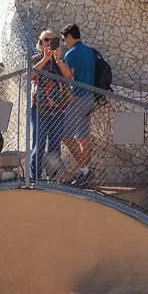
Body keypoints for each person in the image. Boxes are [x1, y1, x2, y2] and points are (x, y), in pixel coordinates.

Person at [57, 24, 97, 187]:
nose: (64, 43)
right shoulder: (90, 51)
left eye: (64, 39)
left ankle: (85, 171)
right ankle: (83, 174)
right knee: (82, 138)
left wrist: (59, 59)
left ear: (70, 37)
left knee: (65, 136)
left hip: (78, 98)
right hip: (90, 98)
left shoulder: (72, 53)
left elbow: (68, 74)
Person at [30, 29, 73, 181]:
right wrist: (46, 59)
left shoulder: (60, 59)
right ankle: (35, 179)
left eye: (52, 40)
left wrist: (58, 59)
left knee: (54, 147)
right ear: (40, 44)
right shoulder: (35, 59)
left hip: (58, 108)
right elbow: (30, 75)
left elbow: (68, 76)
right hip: (39, 108)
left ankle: (52, 178)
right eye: (46, 40)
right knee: (39, 146)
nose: (49, 42)